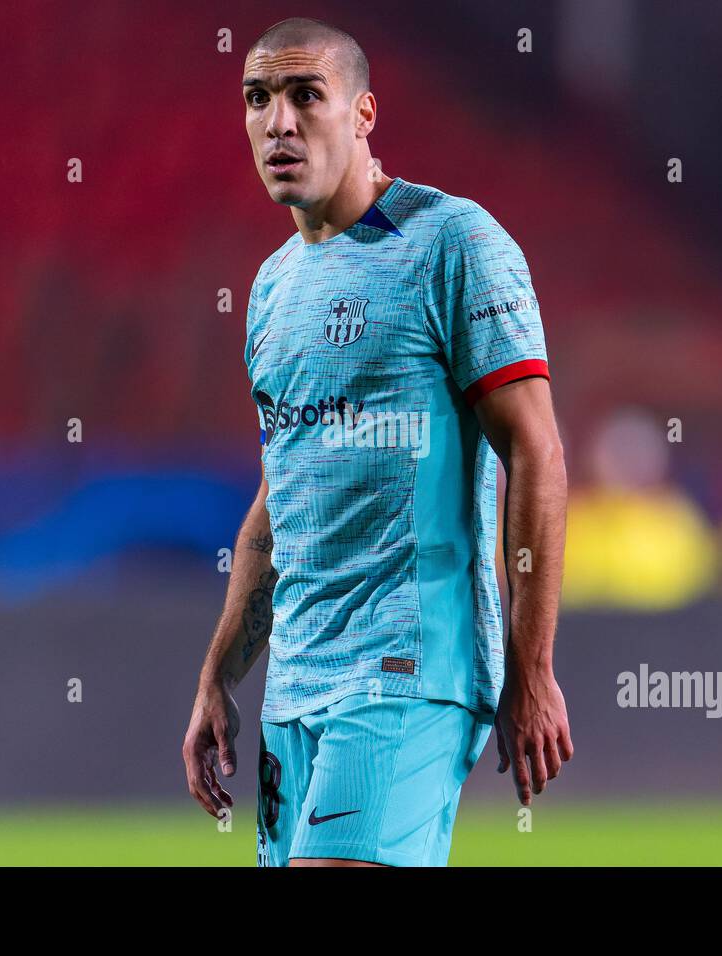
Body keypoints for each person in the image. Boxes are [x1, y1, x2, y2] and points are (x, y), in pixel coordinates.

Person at [183, 16, 572, 867]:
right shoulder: (273, 288)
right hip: (298, 681)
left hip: (411, 664)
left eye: (303, 96)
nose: (278, 122)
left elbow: (535, 451)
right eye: (257, 99)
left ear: (362, 114)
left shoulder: (454, 242)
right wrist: (221, 673)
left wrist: (530, 664)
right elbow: (278, 493)